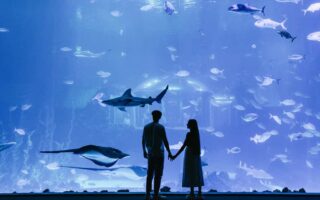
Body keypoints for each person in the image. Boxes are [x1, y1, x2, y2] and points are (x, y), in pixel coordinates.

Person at [170, 119, 204, 200]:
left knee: (190, 172)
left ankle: (192, 193)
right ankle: (199, 194)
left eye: (188, 123)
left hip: (190, 155)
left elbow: (183, 146)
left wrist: (174, 156)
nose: (186, 124)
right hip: (196, 155)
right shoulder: (196, 134)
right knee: (197, 171)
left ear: (191, 125)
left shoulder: (189, 134)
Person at [142, 110, 172, 200]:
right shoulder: (160, 127)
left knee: (150, 174)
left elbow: (143, 140)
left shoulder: (146, 127)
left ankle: (147, 194)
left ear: (152, 116)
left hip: (150, 153)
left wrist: (144, 151)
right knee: (158, 175)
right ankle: (155, 195)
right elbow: (165, 140)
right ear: (160, 117)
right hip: (159, 153)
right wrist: (169, 152)